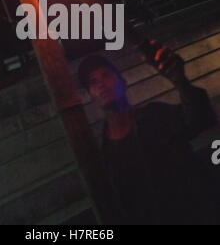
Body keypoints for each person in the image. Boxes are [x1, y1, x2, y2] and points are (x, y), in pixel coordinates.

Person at [78, 42, 219, 225]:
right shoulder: (102, 153)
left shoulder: (155, 116)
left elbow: (201, 119)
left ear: (123, 82)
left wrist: (179, 80)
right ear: (90, 95)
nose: (102, 84)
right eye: (93, 82)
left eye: (106, 75)